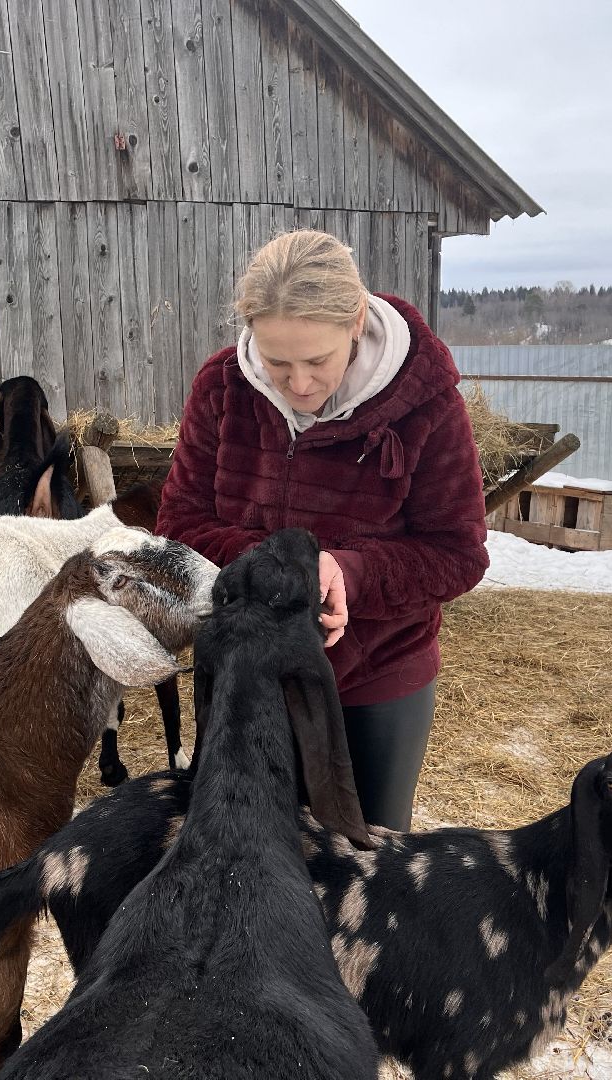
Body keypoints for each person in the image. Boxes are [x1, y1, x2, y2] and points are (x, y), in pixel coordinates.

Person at [156, 229, 489, 831]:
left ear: (356, 321)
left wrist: (348, 574)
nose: (300, 384)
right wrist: (282, 568)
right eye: (277, 363)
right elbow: (179, 525)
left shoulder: (426, 403)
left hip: (377, 675)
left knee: (365, 857)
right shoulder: (222, 388)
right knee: (247, 853)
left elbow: (458, 553)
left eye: (317, 361)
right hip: (246, 672)